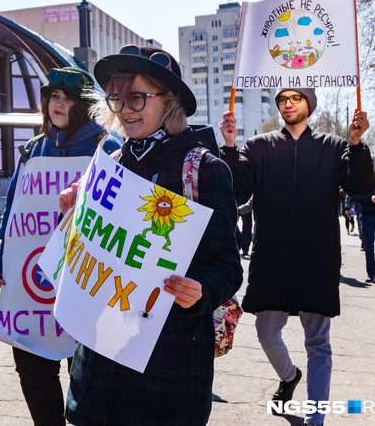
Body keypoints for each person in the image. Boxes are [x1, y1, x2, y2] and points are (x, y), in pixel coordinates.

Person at [58, 46, 242, 425]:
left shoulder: (204, 169)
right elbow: (88, 252)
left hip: (168, 363)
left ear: (169, 100)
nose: (125, 110)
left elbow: (227, 266)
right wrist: (73, 215)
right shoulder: (108, 166)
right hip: (99, 365)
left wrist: (201, 289)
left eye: (137, 98)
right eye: (117, 99)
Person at [219, 87, 375, 426]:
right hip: (271, 258)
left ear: (309, 104)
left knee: (318, 343)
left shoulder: (334, 147)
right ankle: (289, 376)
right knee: (265, 332)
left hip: (317, 258)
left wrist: (357, 144)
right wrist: (229, 146)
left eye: (296, 98)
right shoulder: (257, 146)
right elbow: (236, 190)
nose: (287, 104)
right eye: (282, 99)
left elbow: (361, 187)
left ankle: (315, 418)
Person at [0, 66, 121, 426]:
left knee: (89, 384)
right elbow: (14, 206)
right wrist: (2, 259)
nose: (58, 105)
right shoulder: (33, 148)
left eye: (68, 99)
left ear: (84, 106)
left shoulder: (108, 147)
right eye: (54, 97)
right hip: (33, 284)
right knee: (32, 368)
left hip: (86, 283)